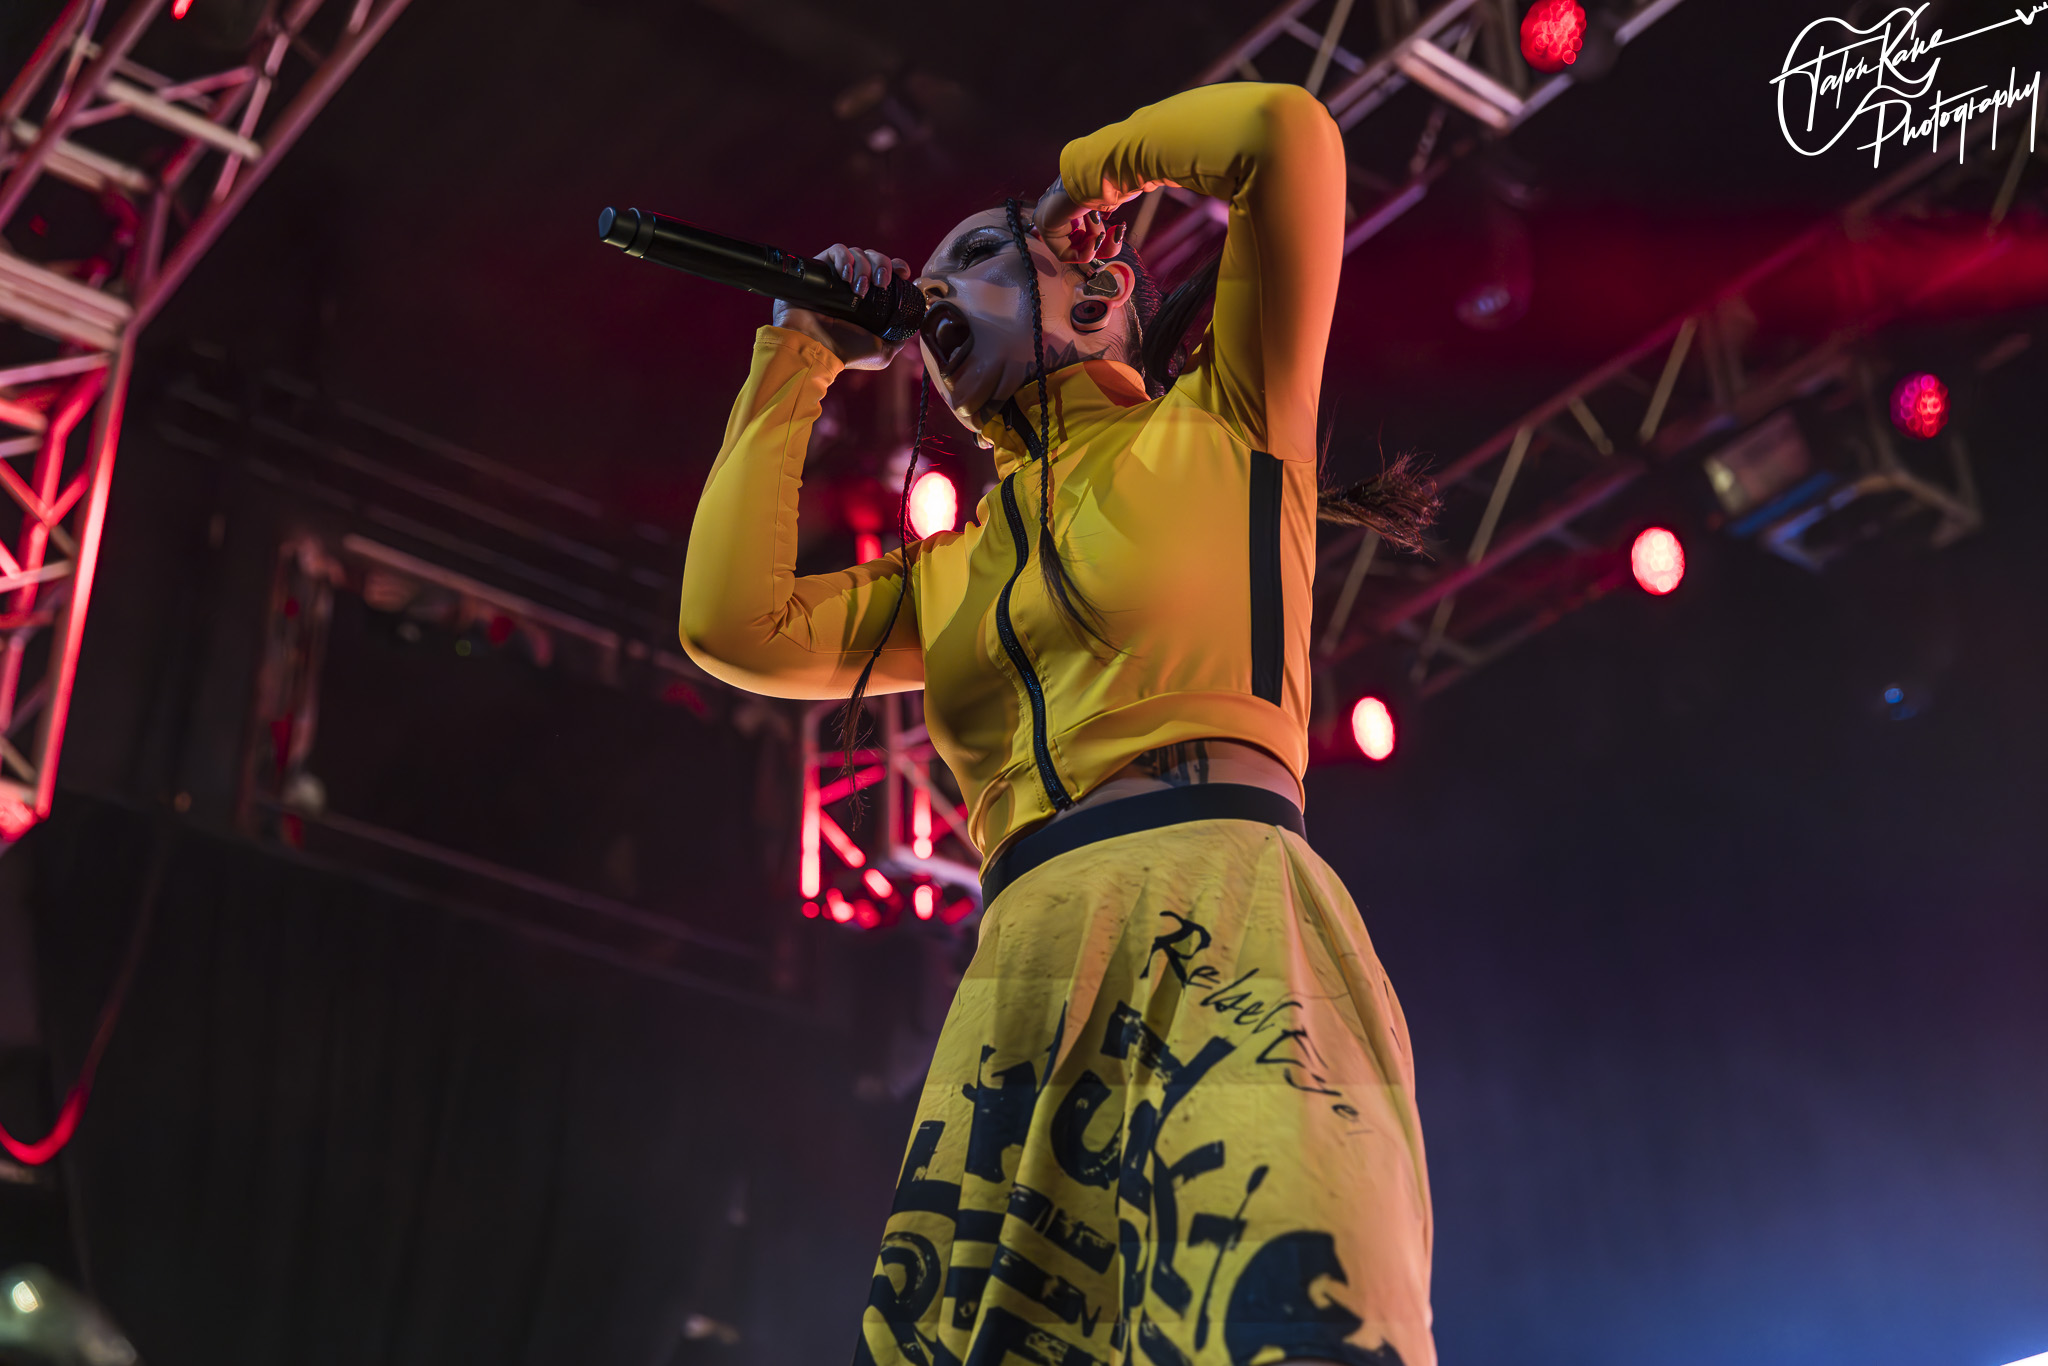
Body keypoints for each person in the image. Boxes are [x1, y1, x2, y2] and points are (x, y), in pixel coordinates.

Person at [679, 82, 1439, 1366]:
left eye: (982, 254)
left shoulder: (1227, 425)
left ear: (1100, 290)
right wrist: (798, 352)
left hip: (1225, 909)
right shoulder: (953, 573)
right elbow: (731, 624)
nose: (935, 294)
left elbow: (1285, 137)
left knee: (1278, 1316)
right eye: (932, 279)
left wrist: (1078, 183)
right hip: (1029, 967)